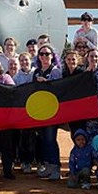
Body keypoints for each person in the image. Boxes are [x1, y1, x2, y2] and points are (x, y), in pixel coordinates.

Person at [33, 45, 63, 180]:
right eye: (42, 54)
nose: (44, 56)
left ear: (52, 56)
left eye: (47, 54)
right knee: (43, 139)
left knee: (51, 139)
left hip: (52, 111)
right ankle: (48, 165)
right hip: (39, 111)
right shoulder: (36, 72)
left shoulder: (55, 71)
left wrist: (46, 82)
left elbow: (59, 88)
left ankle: (56, 166)